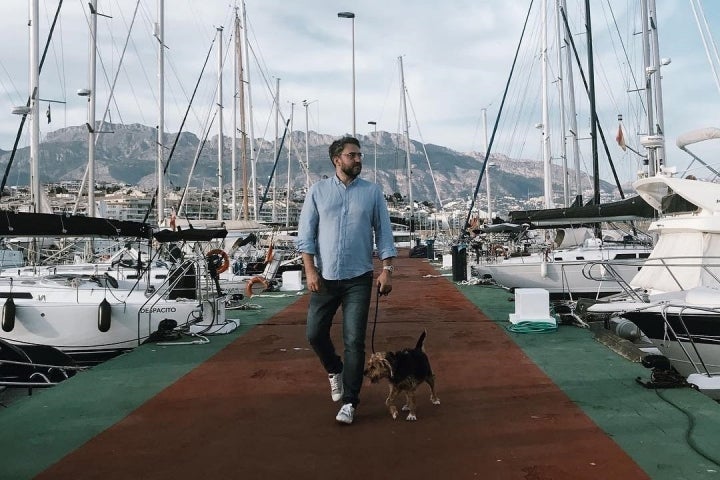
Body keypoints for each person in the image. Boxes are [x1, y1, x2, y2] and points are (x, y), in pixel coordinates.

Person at [296, 136, 397, 425]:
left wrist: (387, 269)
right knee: (314, 334)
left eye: (360, 155)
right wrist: (310, 271)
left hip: (359, 278)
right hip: (325, 278)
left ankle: (351, 402)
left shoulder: (372, 193)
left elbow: (384, 233)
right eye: (352, 155)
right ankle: (334, 369)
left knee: (354, 341)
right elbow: (306, 236)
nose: (358, 159)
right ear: (336, 159)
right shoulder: (318, 191)